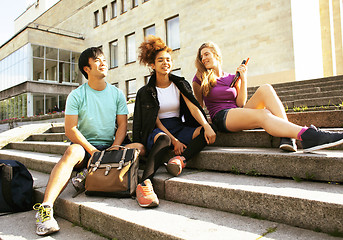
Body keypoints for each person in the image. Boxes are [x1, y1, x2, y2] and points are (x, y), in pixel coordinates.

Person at [33, 47, 144, 236]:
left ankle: (88, 174)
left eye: (104, 60)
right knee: (71, 152)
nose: (104, 63)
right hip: (86, 148)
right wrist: (93, 151)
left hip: (111, 148)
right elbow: (71, 130)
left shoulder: (117, 94)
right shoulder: (76, 95)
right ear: (87, 68)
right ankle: (45, 209)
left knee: (139, 147)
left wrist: (114, 148)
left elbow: (123, 126)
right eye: (98, 60)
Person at [193, 41, 343, 152]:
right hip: (221, 117)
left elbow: (240, 102)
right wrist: (205, 127)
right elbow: (198, 106)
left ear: (216, 54)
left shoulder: (232, 77)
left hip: (236, 111)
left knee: (266, 88)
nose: (204, 58)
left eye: (207, 54)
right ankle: (310, 136)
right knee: (263, 113)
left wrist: (243, 78)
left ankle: (287, 137)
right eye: (202, 56)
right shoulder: (200, 78)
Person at [133, 36, 217, 208]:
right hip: (158, 132)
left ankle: (180, 160)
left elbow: (194, 108)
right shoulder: (146, 91)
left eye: (168, 59)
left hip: (178, 127)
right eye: (160, 60)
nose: (166, 63)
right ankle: (144, 184)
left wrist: (207, 126)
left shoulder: (180, 84)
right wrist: (174, 140)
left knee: (206, 130)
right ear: (152, 65)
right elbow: (155, 122)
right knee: (164, 139)